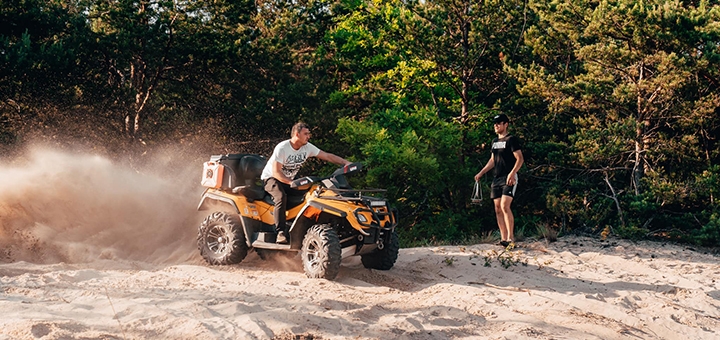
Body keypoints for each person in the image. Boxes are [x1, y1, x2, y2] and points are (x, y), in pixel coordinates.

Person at [261, 122, 351, 244]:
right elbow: (276, 172)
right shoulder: (282, 148)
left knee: (313, 193)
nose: (308, 136)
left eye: (309, 134)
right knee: (281, 197)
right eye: (306, 134)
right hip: (271, 179)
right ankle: (280, 232)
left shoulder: (307, 147)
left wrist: (346, 163)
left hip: (289, 181)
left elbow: (328, 156)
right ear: (297, 134)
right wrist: (291, 182)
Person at [474, 114, 524, 247]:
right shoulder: (495, 142)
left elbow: (520, 158)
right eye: (495, 123)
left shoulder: (511, 139)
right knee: (497, 209)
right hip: (497, 178)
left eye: (499, 123)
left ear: (506, 124)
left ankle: (511, 239)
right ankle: (503, 239)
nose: (496, 125)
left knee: (504, 206)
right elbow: (492, 160)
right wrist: (481, 173)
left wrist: (513, 173)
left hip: (509, 177)